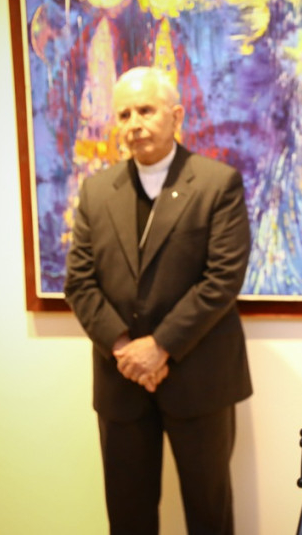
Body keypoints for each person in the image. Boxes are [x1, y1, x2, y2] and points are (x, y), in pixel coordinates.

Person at [65, 66, 253, 534]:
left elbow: (223, 278)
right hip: (121, 378)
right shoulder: (95, 190)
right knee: (127, 517)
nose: (134, 124)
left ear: (176, 116)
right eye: (124, 114)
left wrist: (160, 346)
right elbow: (79, 282)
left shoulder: (218, 183)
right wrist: (126, 349)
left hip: (200, 378)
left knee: (210, 516)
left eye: (146, 110)